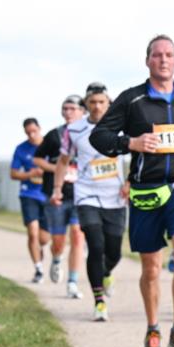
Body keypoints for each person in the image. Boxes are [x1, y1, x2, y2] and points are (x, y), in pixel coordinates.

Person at [90, 36, 174, 347]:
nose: (164, 60)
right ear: (148, 61)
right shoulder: (132, 100)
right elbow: (98, 136)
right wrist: (132, 142)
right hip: (145, 191)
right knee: (152, 267)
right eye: (157, 55)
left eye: (169, 54)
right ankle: (153, 327)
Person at [53, 84, 129, 321]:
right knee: (95, 245)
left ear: (109, 103)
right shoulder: (74, 130)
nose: (97, 106)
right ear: (86, 105)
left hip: (115, 197)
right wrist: (56, 188)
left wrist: (129, 181)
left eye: (101, 102)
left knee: (114, 252)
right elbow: (63, 161)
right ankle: (99, 301)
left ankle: (104, 273)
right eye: (93, 102)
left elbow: (137, 152)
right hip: (86, 194)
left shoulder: (121, 126)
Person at [34, 95, 88, 298]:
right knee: (58, 241)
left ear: (83, 111)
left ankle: (72, 282)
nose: (68, 112)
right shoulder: (54, 135)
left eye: (72, 108)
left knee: (77, 235)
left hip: (81, 194)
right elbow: (37, 158)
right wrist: (57, 168)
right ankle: (56, 259)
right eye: (65, 108)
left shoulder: (89, 134)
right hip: (57, 194)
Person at [11, 118, 51, 283]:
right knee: (32, 233)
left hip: (48, 195)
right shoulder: (21, 149)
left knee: (44, 239)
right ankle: (38, 269)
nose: (32, 135)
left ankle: (40, 250)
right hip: (29, 195)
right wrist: (30, 174)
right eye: (28, 133)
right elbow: (13, 174)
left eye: (34, 131)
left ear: (40, 128)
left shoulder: (51, 145)